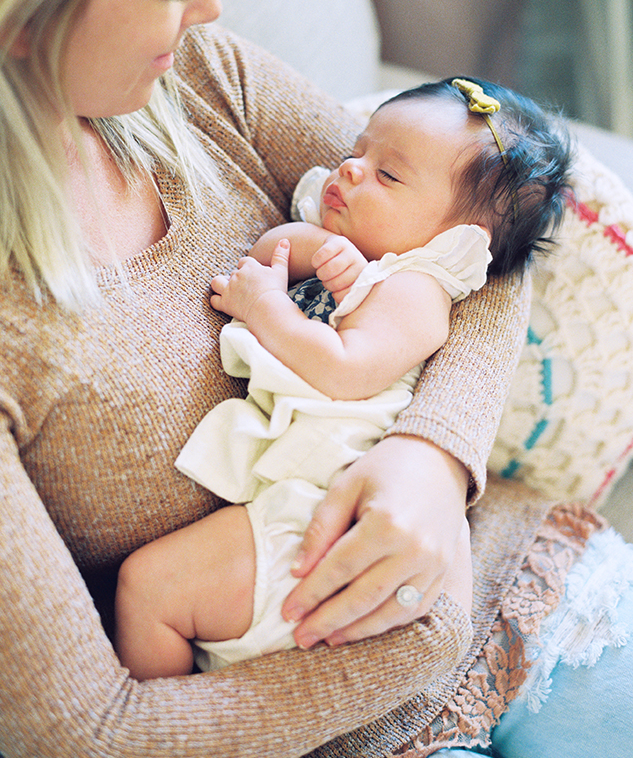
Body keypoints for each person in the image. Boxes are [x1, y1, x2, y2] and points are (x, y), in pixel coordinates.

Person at [0, 0, 628, 758]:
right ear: (22, 7)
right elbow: (95, 746)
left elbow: (473, 234)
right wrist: (422, 632)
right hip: (293, 742)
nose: (211, 5)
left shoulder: (195, 72)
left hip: (517, 584)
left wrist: (433, 458)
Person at [113, 78, 570, 691]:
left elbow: (343, 368)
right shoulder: (357, 252)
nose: (351, 168)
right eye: (357, 151)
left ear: (456, 239)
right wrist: (322, 245)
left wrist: (266, 307)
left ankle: (174, 741)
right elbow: (269, 251)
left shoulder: (415, 288)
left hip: (332, 514)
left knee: (149, 590)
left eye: (389, 175)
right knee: (159, 597)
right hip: (300, 496)